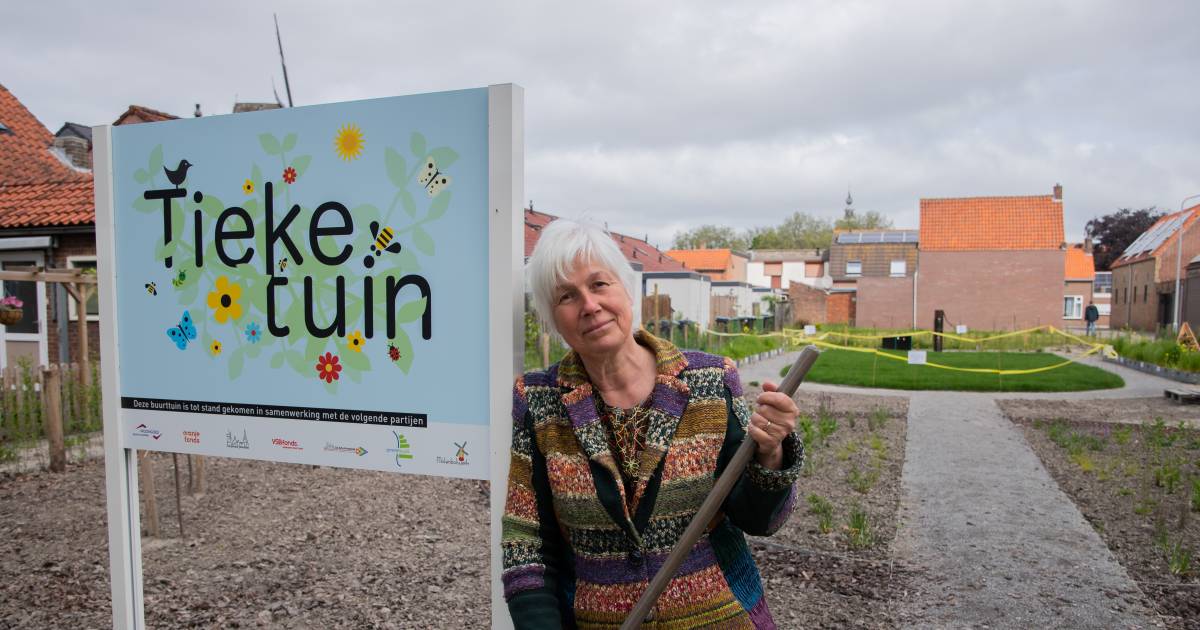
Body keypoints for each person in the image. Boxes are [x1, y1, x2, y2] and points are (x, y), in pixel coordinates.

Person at [502, 218, 803, 629]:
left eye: (599, 284)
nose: (589, 305)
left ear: (627, 289)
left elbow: (759, 520)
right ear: (553, 318)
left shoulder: (709, 382)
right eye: (567, 296)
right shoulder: (538, 403)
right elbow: (527, 548)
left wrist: (772, 453)